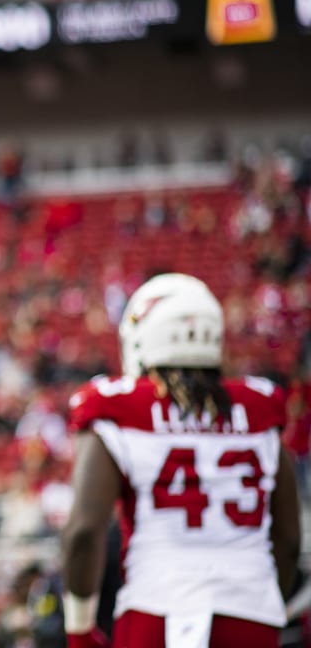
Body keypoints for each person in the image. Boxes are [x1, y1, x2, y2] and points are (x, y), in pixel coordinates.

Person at [61, 273, 301, 647]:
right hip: (251, 613)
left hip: (157, 609)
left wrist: (78, 628)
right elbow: (287, 538)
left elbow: (82, 531)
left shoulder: (119, 406)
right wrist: (262, 599)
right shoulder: (259, 408)